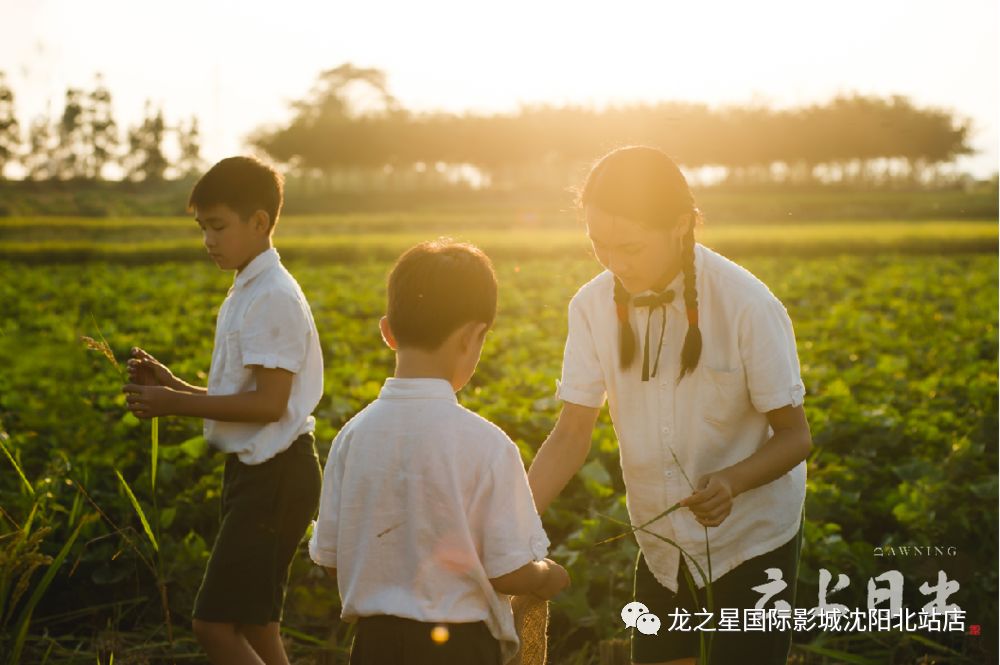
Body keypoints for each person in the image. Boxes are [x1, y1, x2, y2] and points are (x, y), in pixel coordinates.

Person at [527, 146, 812, 665]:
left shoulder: (747, 304)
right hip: (661, 546)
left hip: (752, 541)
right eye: (599, 244)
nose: (616, 262)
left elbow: (796, 437)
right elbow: (571, 434)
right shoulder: (591, 307)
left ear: (681, 225)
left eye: (631, 246)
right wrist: (511, 525)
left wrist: (731, 481)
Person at [309, 239, 570, 665]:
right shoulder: (487, 445)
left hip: (373, 646)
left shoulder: (352, 437)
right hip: (461, 648)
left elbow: (332, 559)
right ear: (474, 336)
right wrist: (546, 576)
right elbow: (508, 570)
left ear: (388, 332)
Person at [123, 156, 324, 665]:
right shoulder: (248, 288)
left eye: (218, 227)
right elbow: (247, 396)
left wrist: (175, 405)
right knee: (257, 624)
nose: (208, 240)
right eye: (202, 228)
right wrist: (177, 387)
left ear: (259, 222)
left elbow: (269, 404)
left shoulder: (273, 297)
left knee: (212, 625)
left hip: (276, 475)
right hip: (259, 470)